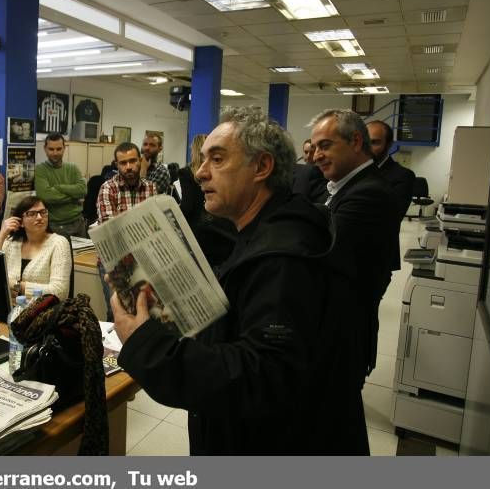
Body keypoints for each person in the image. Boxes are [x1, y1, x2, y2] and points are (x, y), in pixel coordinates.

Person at [110, 107, 367, 455]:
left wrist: (145, 343)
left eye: (217, 159)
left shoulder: (284, 257)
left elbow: (258, 377)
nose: (200, 173)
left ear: (261, 167)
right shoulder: (264, 233)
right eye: (202, 160)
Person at [309, 109, 401, 385]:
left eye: (325, 146)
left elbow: (318, 253)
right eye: (314, 148)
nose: (316, 156)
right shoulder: (337, 188)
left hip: (341, 337)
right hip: (329, 332)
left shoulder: (369, 193)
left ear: (356, 142)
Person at [96, 142, 157, 320]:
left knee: (145, 311)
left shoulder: (150, 187)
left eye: (132, 161)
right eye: (123, 163)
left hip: (144, 260)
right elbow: (110, 233)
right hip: (115, 263)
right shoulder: (108, 188)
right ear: (116, 165)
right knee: (117, 312)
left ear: (140, 161)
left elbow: (154, 227)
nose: (128, 167)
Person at [0, 196, 72, 301]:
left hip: (42, 312)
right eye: (32, 214)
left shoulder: (59, 243)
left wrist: (18, 286)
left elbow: (59, 291)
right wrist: (2, 234)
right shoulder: (10, 242)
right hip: (7, 309)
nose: (39, 217)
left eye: (43, 212)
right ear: (20, 222)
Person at [177, 134, 235, 268]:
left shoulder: (186, 173)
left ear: (194, 150)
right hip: (221, 229)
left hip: (198, 232)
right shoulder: (220, 172)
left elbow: (187, 206)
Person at [34, 133, 88, 237]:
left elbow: (83, 190)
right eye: (51, 149)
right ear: (45, 149)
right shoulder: (40, 170)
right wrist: (73, 197)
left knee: (82, 254)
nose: (55, 153)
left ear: (64, 148)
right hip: (55, 226)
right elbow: (46, 196)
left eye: (59, 149)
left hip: (78, 223)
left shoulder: (73, 168)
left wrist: (59, 188)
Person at [367, 120, 417, 217]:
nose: (368, 148)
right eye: (365, 142)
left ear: (389, 144)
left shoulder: (403, 176)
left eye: (374, 142)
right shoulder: (354, 171)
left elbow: (391, 216)